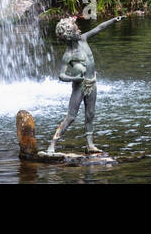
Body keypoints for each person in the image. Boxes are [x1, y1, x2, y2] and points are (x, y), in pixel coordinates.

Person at [46, 13, 134, 155]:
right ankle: (52, 144)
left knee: (90, 114)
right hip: (79, 86)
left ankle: (90, 145)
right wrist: (74, 79)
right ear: (69, 35)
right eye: (76, 29)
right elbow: (61, 75)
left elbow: (99, 28)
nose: (79, 31)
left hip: (92, 82)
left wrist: (114, 19)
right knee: (71, 116)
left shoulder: (83, 39)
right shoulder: (68, 54)